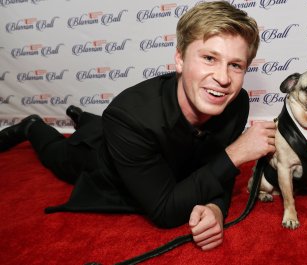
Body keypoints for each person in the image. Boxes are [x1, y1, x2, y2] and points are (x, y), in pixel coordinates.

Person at [0, 1, 276, 251]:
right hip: (103, 162)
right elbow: (166, 210)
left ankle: (81, 114)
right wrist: (237, 153)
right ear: (179, 59)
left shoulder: (236, 102)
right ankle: (31, 126)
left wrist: (216, 207)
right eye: (209, 58)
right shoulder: (129, 116)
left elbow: (217, 169)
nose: (223, 78)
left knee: (104, 125)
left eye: (236, 65)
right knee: (57, 155)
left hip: (144, 146)